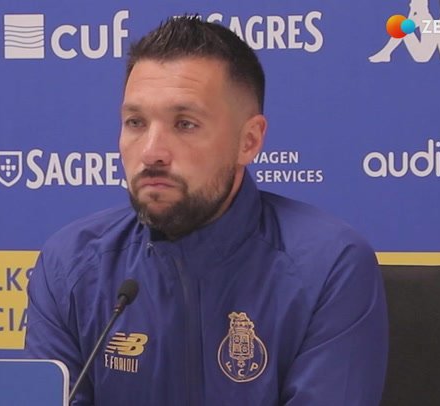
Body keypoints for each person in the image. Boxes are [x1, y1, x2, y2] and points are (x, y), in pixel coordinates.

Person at [25, 15, 388, 405]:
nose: (151, 152)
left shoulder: (329, 265)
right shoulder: (70, 266)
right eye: (135, 122)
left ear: (249, 141)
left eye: (185, 124)